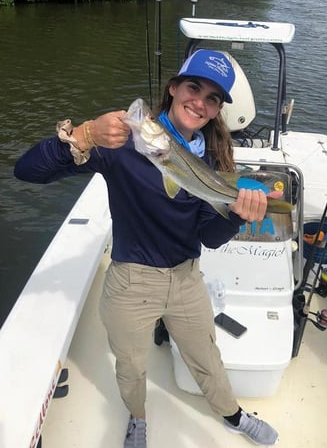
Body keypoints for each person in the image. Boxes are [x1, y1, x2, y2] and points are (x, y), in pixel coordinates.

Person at [14, 49, 279, 447]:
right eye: (193, 87)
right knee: (131, 365)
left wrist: (240, 215)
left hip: (187, 278)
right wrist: (85, 134)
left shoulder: (214, 157)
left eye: (212, 99)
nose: (200, 102)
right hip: (131, 281)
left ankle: (233, 415)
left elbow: (209, 237)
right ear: (173, 89)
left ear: (217, 111)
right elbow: (27, 171)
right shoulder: (122, 143)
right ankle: (137, 418)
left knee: (207, 358)